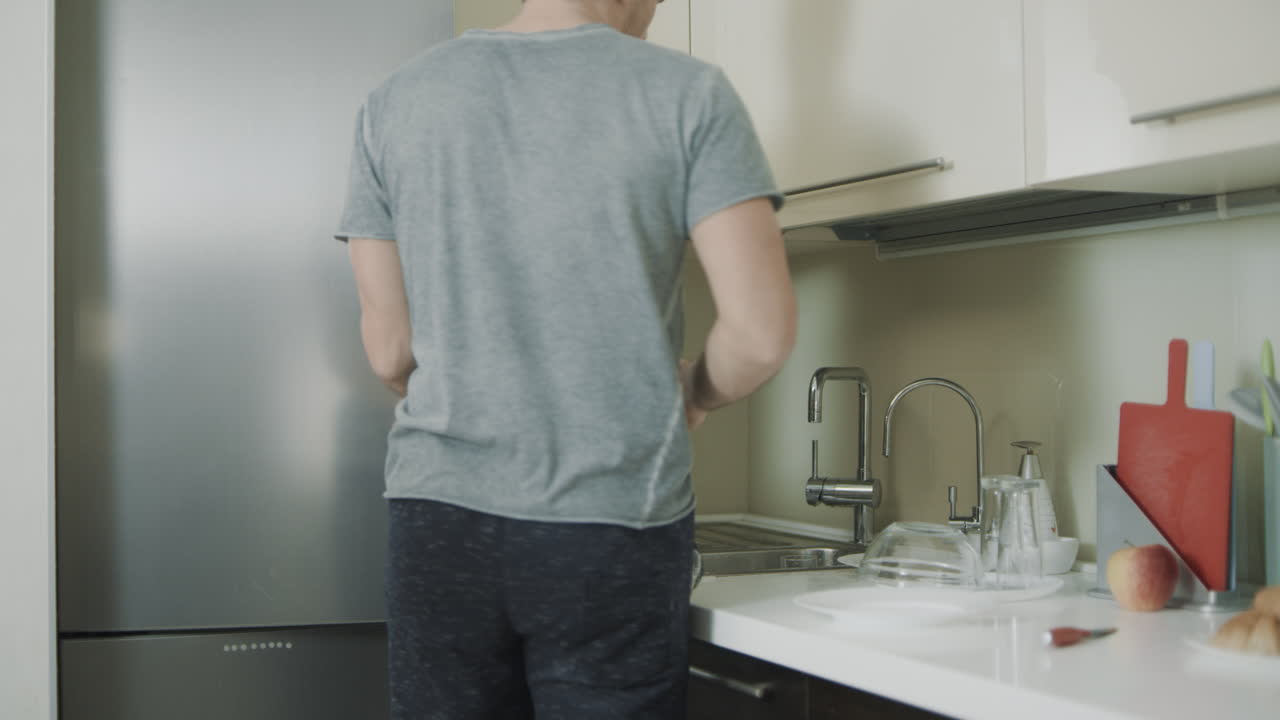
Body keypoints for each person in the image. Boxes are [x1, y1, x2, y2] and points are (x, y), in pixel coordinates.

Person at [335, 0, 796, 717]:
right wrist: (695, 393)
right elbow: (760, 337)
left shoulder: (395, 102)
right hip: (611, 521)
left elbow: (389, 349)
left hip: (439, 520)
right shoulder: (688, 92)